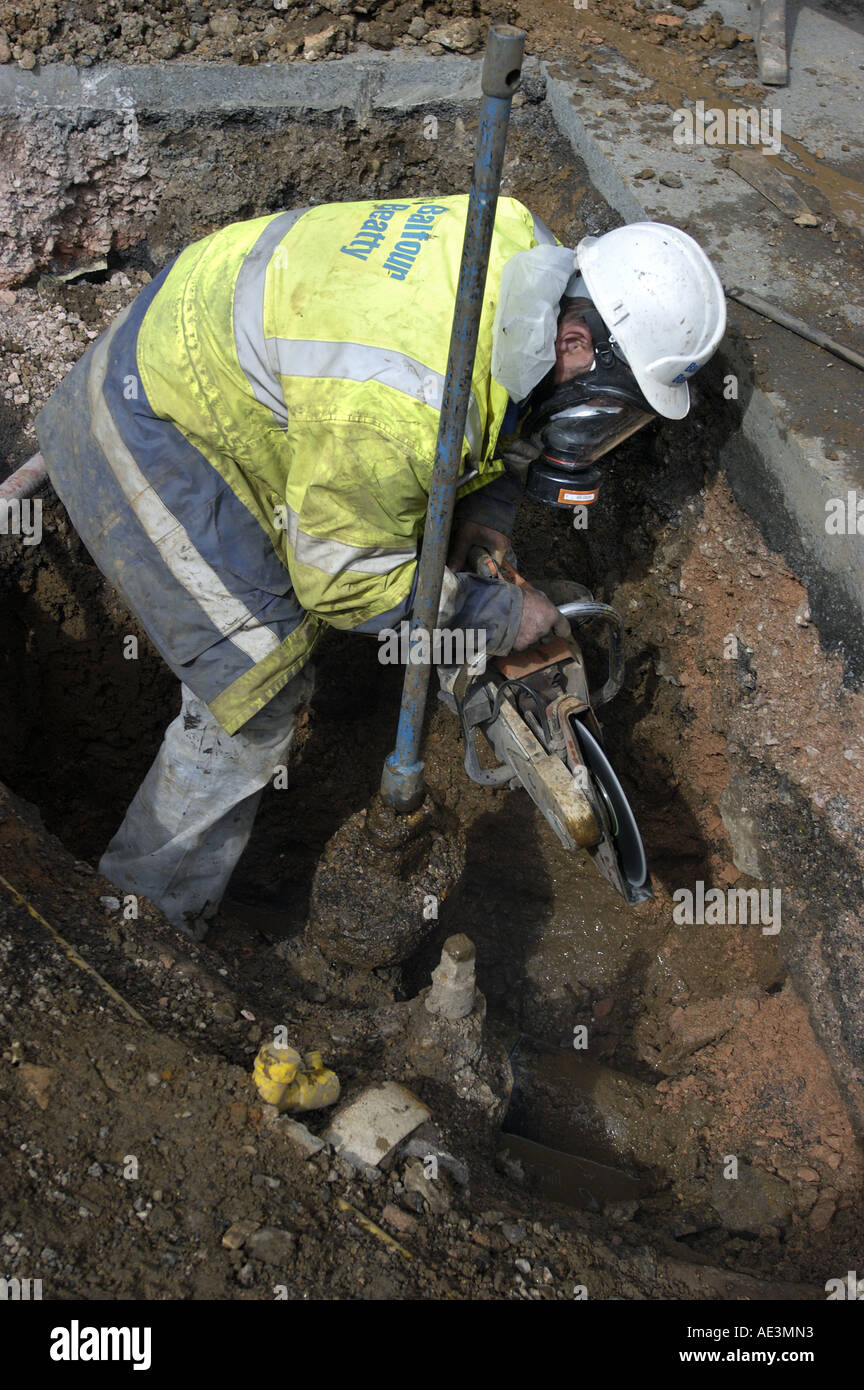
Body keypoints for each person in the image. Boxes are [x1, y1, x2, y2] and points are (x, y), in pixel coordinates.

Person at [35, 196, 725, 935]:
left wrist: (486, 512)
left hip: (206, 343)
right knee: (258, 690)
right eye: (613, 409)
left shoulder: (524, 250)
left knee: (364, 528)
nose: (605, 430)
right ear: (579, 345)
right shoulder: (406, 408)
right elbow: (338, 581)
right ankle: (143, 923)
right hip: (147, 424)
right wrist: (490, 616)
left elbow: (516, 398)